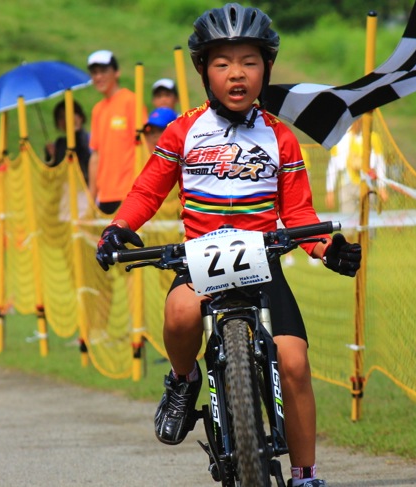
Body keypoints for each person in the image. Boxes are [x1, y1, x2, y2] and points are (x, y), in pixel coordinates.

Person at [95, 5, 362, 486]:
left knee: (295, 361)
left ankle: (305, 474)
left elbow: (299, 212)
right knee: (179, 314)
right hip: (200, 257)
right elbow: (147, 191)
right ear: (203, 70)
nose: (237, 74)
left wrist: (327, 249)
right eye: (222, 64)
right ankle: (182, 380)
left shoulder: (280, 137)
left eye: (249, 62)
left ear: (267, 68)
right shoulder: (182, 130)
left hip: (263, 263)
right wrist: (117, 229)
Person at [87, 50, 147, 214]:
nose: (98, 77)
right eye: (94, 72)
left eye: (103, 71)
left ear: (116, 72)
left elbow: (145, 146)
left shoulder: (131, 101)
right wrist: (92, 197)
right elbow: (95, 155)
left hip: (129, 193)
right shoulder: (97, 110)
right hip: (104, 196)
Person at [325, 118, 388, 220]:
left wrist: (382, 186)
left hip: (368, 185)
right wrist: (330, 190)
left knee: (368, 222)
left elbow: (380, 164)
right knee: (347, 224)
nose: (356, 123)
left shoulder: (373, 138)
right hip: (346, 185)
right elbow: (333, 166)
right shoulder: (340, 140)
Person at [45, 100, 91, 185]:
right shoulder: (60, 143)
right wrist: (50, 157)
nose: (66, 119)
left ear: (80, 117)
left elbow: (86, 161)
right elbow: (54, 173)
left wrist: (77, 134)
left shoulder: (89, 138)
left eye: (70, 114)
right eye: (61, 117)